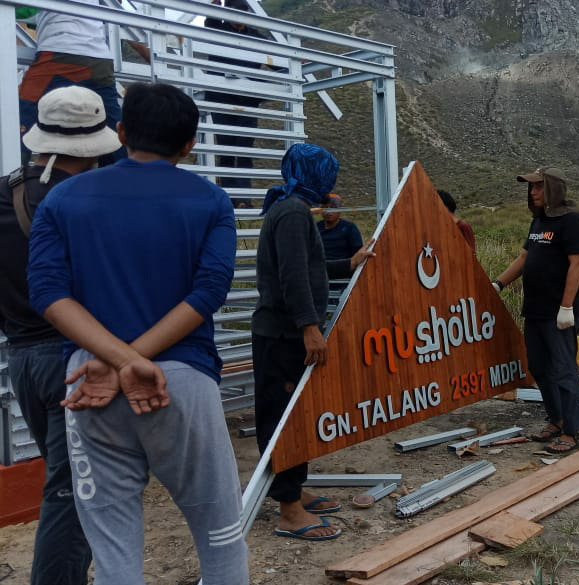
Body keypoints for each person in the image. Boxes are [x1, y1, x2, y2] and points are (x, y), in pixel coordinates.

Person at [27, 82, 249, 585]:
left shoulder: (62, 199)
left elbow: (48, 293)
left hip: (88, 382)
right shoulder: (211, 200)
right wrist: (136, 360)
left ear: (121, 132)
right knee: (219, 535)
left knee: (112, 548)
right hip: (183, 382)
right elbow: (208, 292)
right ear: (190, 144)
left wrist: (114, 360)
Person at [0, 86, 120, 585]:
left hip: (22, 360)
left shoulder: (3, 193)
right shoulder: (86, 202)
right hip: (74, 359)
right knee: (71, 495)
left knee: (64, 480)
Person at [252, 143, 375, 541]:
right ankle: (288, 510)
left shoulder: (293, 210)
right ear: (314, 175)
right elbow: (292, 276)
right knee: (284, 419)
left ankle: (293, 491)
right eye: (328, 174)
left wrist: (348, 263)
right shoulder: (290, 214)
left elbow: (310, 267)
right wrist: (310, 327)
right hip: (283, 335)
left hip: (287, 332)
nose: (332, 182)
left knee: (296, 415)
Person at [492, 167, 579, 454]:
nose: (532, 193)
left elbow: (576, 264)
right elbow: (525, 256)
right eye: (531, 188)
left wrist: (567, 307)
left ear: (553, 189)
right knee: (539, 367)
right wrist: (499, 283)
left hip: (558, 312)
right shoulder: (539, 222)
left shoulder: (572, 221)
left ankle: (571, 431)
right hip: (534, 309)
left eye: (538, 187)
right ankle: (555, 419)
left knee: (564, 370)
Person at [17, 0, 147, 165]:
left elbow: (22, 9)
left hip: (62, 52)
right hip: (100, 59)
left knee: (22, 114)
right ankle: (120, 178)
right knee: (110, 129)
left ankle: (12, 175)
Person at [203, 0, 268, 192]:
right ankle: (230, 196)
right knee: (226, 148)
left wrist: (294, 60)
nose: (239, 18)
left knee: (245, 148)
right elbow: (212, 12)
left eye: (243, 12)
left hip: (247, 100)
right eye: (234, 12)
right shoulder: (217, 28)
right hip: (221, 99)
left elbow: (279, 62)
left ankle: (243, 199)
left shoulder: (256, 37)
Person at [318, 194, 363, 262]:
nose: (328, 211)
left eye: (333, 207)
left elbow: (358, 252)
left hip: (343, 268)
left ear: (340, 210)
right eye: (325, 207)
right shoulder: (316, 227)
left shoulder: (349, 228)